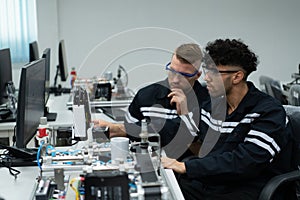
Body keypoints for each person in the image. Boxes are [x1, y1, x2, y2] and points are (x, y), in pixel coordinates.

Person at [161, 39, 291, 199]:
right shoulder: (214, 105)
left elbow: (244, 162)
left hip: (250, 187)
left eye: (214, 72)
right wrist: (135, 134)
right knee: (166, 188)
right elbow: (179, 129)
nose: (206, 78)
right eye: (206, 70)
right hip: (219, 182)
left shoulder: (268, 112)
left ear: (237, 77)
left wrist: (185, 166)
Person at [94, 43, 209, 159]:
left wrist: (186, 116)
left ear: (197, 75)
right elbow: (128, 139)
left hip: (187, 171)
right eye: (172, 71)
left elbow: (203, 151)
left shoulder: (207, 103)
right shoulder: (146, 96)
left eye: (184, 75)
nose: (175, 80)